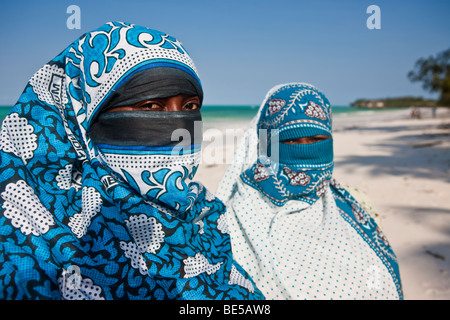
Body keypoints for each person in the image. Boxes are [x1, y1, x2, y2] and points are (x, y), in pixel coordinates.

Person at [0, 21, 263, 300]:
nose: (178, 128)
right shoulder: (36, 232)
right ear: (87, 118)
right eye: (150, 106)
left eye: (190, 107)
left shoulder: (205, 217)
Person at [216, 82, 403, 300]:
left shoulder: (356, 204)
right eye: (290, 140)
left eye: (315, 139)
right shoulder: (233, 216)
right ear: (267, 144)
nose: (304, 148)